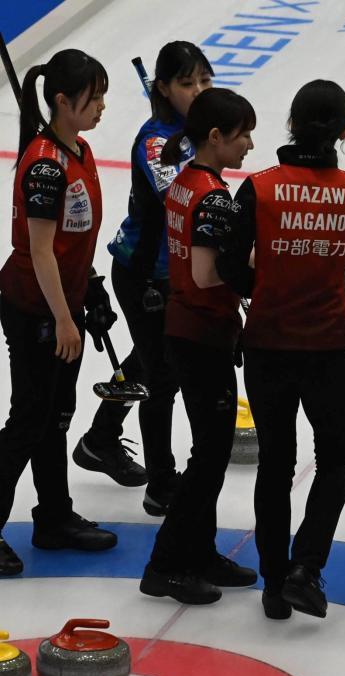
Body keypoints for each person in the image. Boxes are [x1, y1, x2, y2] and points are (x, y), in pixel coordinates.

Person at [217, 79, 345, 621]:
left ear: (290, 124)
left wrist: (263, 284)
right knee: (335, 458)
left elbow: (230, 265)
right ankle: (307, 567)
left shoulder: (258, 189)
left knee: (276, 465)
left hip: (267, 346)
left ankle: (274, 582)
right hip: (328, 347)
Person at [72, 41, 214, 512]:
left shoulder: (195, 132)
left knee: (151, 358)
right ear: (164, 88)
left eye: (205, 81)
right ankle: (162, 484)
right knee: (162, 377)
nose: (198, 91)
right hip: (143, 274)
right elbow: (182, 200)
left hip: (174, 271)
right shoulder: (157, 142)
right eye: (187, 83)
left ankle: (100, 438)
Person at [138, 88, 257, 604]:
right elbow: (208, 274)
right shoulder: (212, 196)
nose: (249, 144)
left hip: (188, 328)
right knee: (209, 455)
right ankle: (165, 564)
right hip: (201, 332)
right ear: (215, 137)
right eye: (243, 134)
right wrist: (259, 262)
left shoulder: (188, 182)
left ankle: (200, 552)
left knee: (209, 449)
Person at [0, 49, 116, 576]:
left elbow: (74, 238)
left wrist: (89, 287)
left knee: (55, 418)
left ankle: (53, 517)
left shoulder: (78, 150)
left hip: (62, 301)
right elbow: (41, 250)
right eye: (94, 98)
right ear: (63, 101)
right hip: (34, 308)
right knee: (28, 420)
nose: (102, 107)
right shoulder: (46, 166)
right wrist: (64, 319)